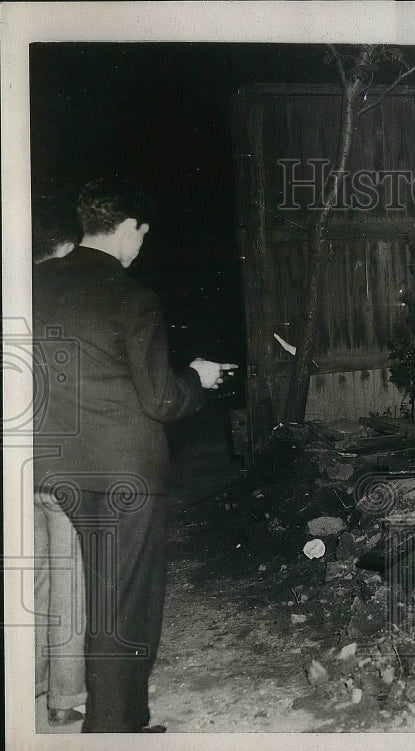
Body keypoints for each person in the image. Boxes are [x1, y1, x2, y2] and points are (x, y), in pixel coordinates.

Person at [33, 178, 237, 733]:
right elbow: (161, 399)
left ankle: (94, 711)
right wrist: (197, 379)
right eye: (141, 234)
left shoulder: (32, 282)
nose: (140, 245)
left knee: (81, 588)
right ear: (127, 229)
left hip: (51, 468)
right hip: (125, 475)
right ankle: (114, 727)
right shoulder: (132, 297)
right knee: (125, 603)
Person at [32, 193, 87, 726]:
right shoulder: (65, 302)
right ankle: (65, 697)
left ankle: (29, 678)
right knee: (68, 575)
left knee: (33, 576)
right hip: (58, 462)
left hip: (17, 464)